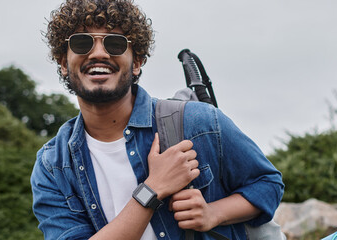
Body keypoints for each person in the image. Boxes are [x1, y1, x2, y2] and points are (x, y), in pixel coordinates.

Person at [30, 0, 285, 239]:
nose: (99, 53)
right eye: (82, 43)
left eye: (115, 44)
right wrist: (151, 190)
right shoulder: (52, 166)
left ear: (137, 62)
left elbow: (267, 184)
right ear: (64, 62)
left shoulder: (200, 123)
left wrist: (213, 213)